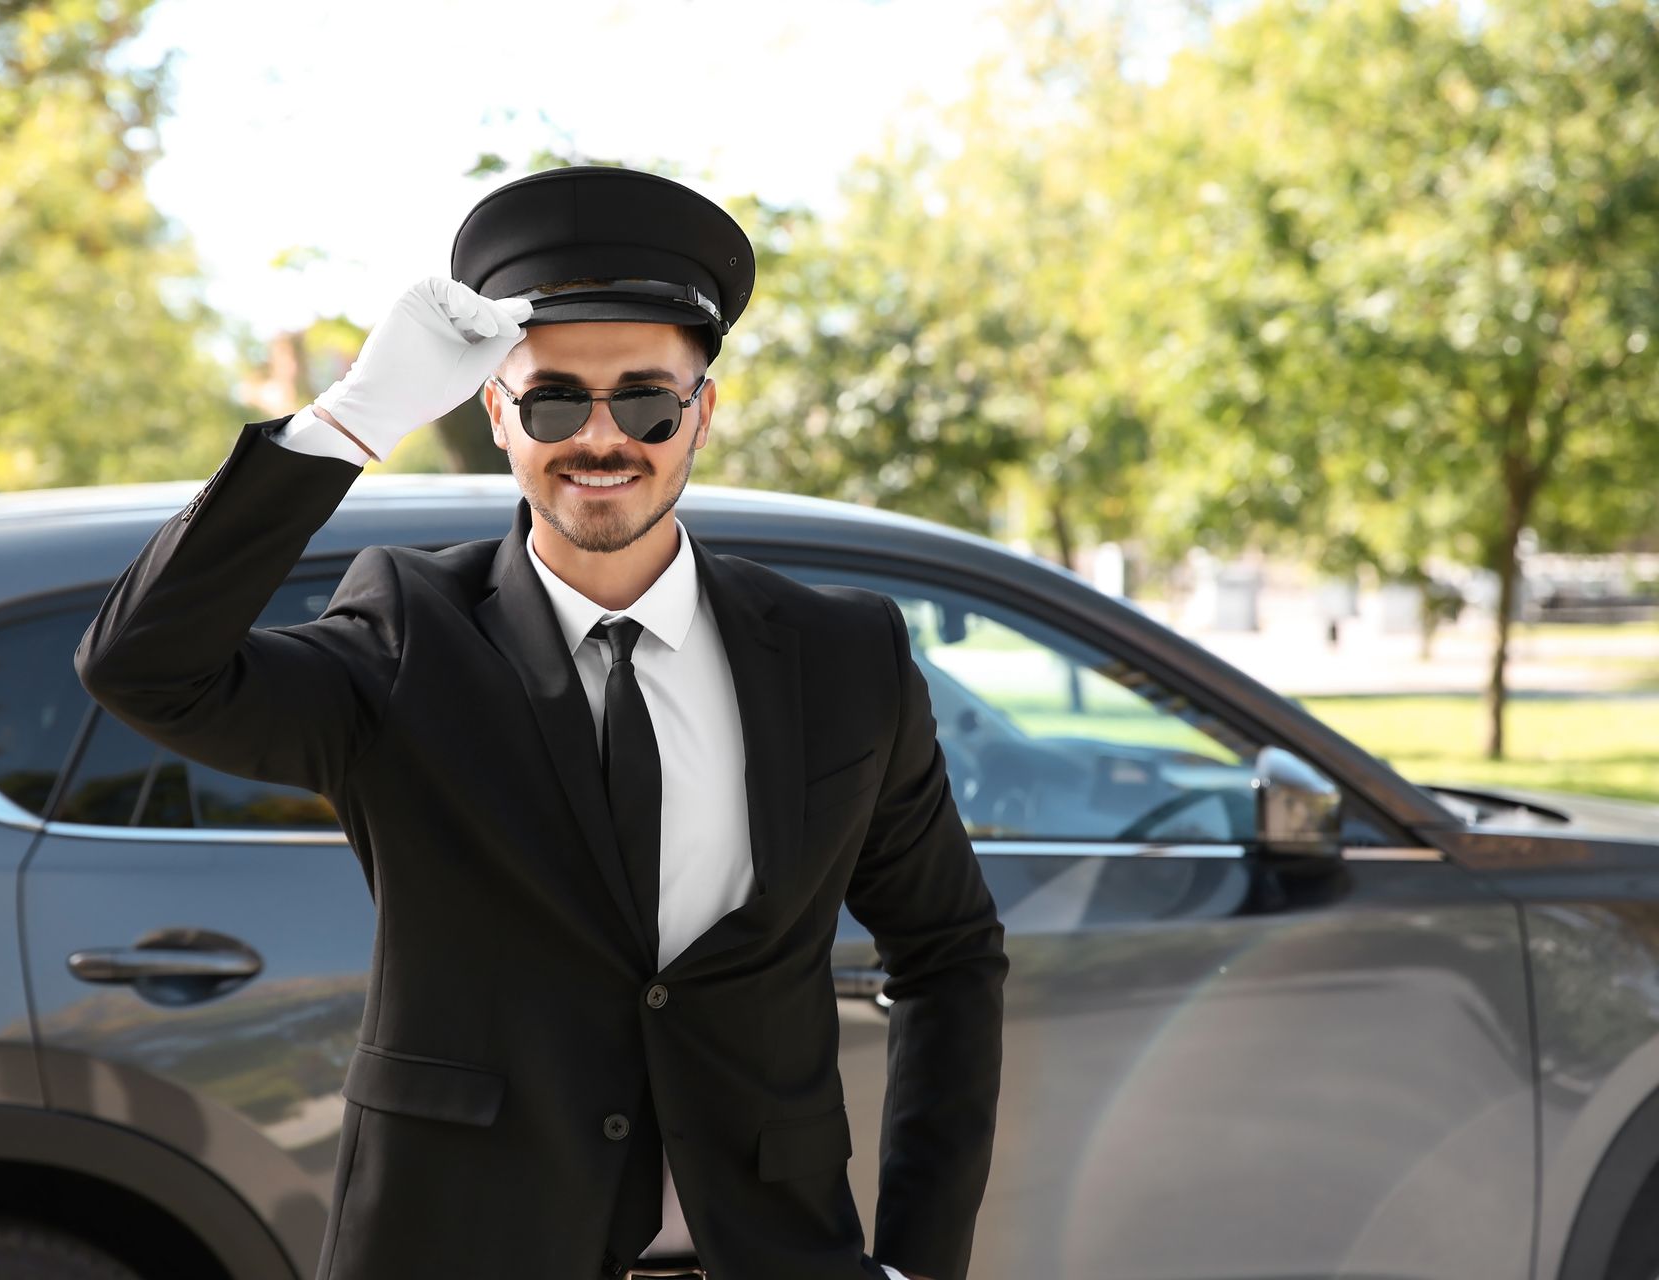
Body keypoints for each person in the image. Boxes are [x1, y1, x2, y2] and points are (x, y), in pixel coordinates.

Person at [75, 165, 1007, 1280]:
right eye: (555, 399)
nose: (602, 439)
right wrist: (353, 416)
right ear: (496, 414)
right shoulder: (407, 631)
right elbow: (144, 667)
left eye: (648, 402)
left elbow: (949, 953)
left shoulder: (842, 652)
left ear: (702, 410)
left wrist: (918, 1260)